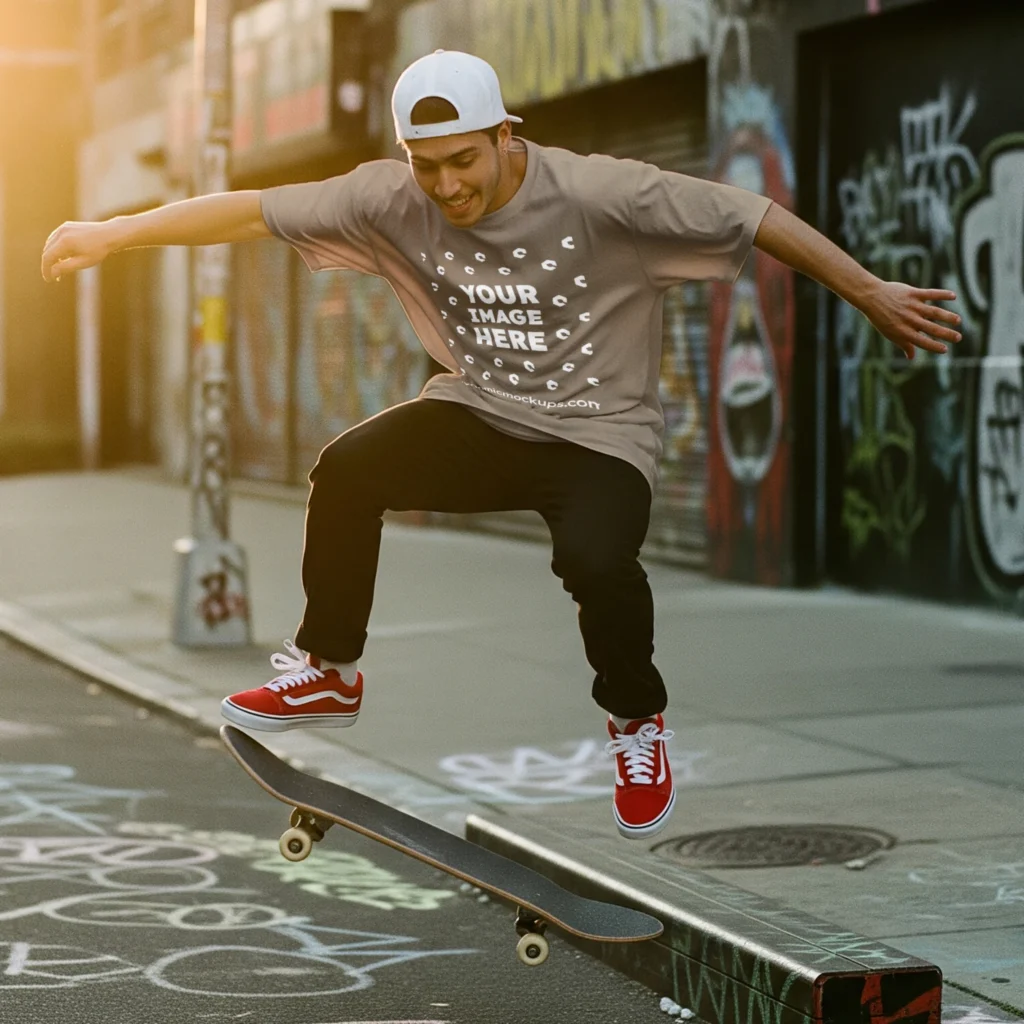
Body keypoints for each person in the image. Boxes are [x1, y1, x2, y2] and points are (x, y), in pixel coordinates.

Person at [41, 50, 961, 840]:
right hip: (482, 413)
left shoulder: (602, 192)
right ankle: (329, 670)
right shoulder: (385, 196)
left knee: (597, 560)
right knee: (348, 469)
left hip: (600, 437)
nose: (447, 187)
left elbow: (750, 214)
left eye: (463, 162)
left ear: (506, 136)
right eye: (426, 166)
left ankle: (636, 724)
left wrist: (867, 289)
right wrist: (115, 233)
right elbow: (248, 211)